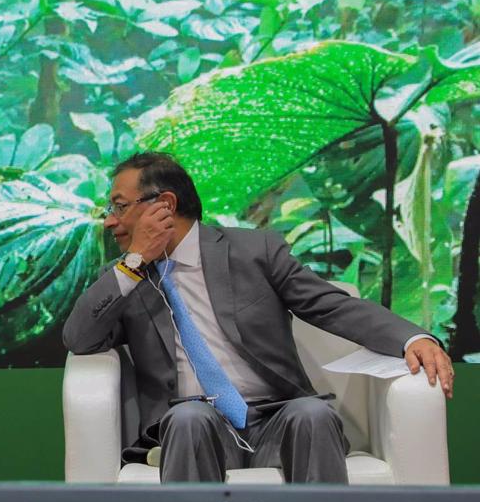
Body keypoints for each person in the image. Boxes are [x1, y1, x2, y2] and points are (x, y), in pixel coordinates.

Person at [63, 152, 453, 484]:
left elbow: (331, 306)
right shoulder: (126, 277)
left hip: (276, 417)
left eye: (119, 206)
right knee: (187, 419)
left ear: (163, 204)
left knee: (313, 414)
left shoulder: (253, 251)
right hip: (193, 427)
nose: (110, 221)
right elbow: (80, 338)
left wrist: (412, 339)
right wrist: (135, 262)